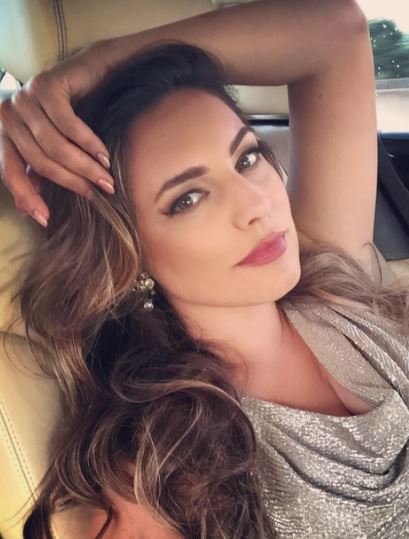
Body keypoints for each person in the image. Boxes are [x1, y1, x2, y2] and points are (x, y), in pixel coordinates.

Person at [1, 1, 408, 537]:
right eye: (188, 198)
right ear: (126, 254)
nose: (257, 205)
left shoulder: (332, 275)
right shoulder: (163, 472)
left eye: (246, 158)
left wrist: (100, 62)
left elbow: (338, 32)